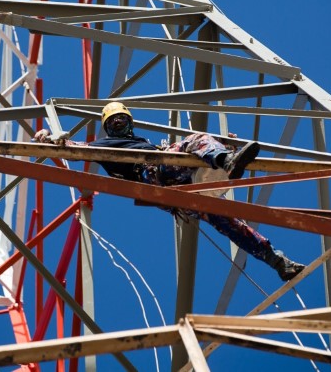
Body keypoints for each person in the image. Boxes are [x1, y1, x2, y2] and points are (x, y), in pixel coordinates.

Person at [33, 101, 306, 281]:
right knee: (195, 140)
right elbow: (77, 150)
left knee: (230, 223)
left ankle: (277, 261)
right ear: (108, 127)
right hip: (159, 175)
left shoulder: (140, 141)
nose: (119, 125)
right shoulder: (106, 146)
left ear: (130, 122)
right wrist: (52, 141)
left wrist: (223, 143)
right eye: (114, 123)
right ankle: (225, 160)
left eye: (122, 121)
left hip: (184, 195)